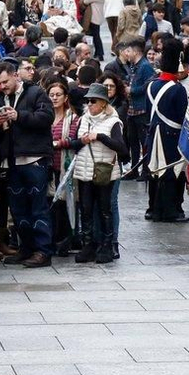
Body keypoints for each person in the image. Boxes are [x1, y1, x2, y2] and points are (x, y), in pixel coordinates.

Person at [0, 60, 54, 268]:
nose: (3, 86)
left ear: (16, 75)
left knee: (38, 206)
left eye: (5, 81)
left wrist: (19, 115)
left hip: (34, 158)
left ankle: (43, 251)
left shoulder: (35, 93)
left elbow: (46, 117)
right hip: (11, 160)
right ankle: (26, 248)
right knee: (17, 208)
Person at [70, 83, 127, 264]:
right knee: (86, 210)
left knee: (105, 210)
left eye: (93, 101)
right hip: (84, 171)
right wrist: (82, 140)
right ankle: (89, 245)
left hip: (104, 172)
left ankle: (107, 245)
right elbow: (74, 144)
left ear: (103, 103)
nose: (89, 105)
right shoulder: (83, 119)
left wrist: (100, 137)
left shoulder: (113, 121)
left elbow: (122, 149)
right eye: (87, 101)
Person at [144, 38, 189, 223]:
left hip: (153, 133)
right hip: (172, 136)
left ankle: (153, 208)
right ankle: (172, 210)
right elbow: (182, 117)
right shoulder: (177, 89)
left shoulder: (150, 85)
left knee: (155, 170)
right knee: (173, 171)